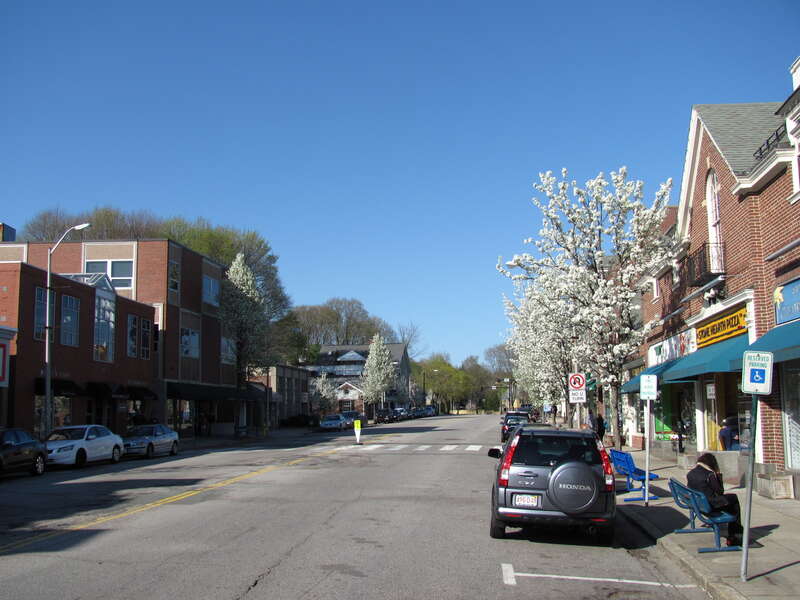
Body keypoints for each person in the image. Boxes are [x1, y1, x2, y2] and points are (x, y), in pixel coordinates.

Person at [686, 453, 743, 546]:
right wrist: (718, 475)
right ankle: (735, 535)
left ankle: (735, 533)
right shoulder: (710, 474)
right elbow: (720, 491)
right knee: (734, 500)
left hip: (698, 504)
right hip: (709, 506)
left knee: (731, 502)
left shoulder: (691, 473)